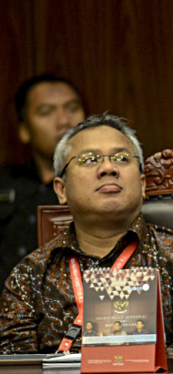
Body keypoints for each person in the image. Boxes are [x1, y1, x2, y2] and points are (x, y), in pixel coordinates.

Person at [0, 114, 173, 357]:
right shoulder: (30, 275)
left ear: (142, 185)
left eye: (121, 158)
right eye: (90, 159)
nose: (108, 168)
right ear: (61, 189)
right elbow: (16, 364)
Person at [0, 74, 86, 290]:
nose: (64, 121)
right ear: (24, 130)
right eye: (46, 112)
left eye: (72, 108)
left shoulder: (105, 182)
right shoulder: (6, 182)